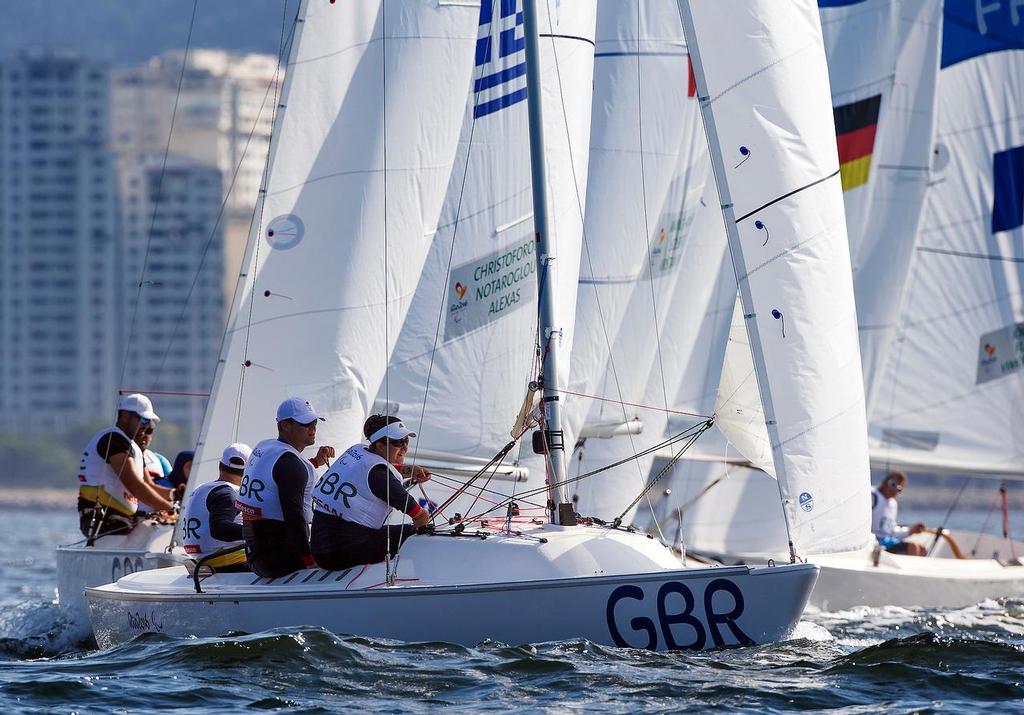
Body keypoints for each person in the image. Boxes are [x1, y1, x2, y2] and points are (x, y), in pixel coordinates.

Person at [310, 414, 431, 571]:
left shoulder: (357, 451)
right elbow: (420, 516)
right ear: (380, 445)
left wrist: (410, 471)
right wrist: (423, 530)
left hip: (321, 549)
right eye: (398, 442)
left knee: (393, 531)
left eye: (406, 441)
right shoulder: (381, 477)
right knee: (417, 534)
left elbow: (374, 470)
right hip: (341, 554)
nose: (405, 448)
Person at [236, 397, 335, 577]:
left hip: (256, 556)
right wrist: (308, 560)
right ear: (284, 426)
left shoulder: (263, 447)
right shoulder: (291, 464)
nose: (313, 428)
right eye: (306, 424)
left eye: (314, 422)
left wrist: (315, 463)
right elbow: (294, 516)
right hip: (280, 558)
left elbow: (277, 475)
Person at [77, 393, 175, 538]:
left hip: (123, 520)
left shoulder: (133, 448)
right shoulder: (113, 440)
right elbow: (134, 485)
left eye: (150, 422)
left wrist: (176, 494)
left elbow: (149, 485)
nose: (147, 426)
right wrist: (171, 510)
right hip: (102, 519)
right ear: (124, 416)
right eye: (142, 420)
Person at [181, 443, 252, 572]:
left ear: (220, 466)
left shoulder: (200, 490)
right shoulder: (228, 493)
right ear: (249, 470)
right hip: (231, 567)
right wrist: (259, 533)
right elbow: (219, 529)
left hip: (203, 564)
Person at [871, 471, 927, 556]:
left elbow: (891, 531)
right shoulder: (872, 496)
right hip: (873, 541)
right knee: (913, 547)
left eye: (899, 489)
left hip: (886, 541)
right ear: (884, 482)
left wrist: (910, 531)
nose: (894, 490)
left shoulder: (893, 504)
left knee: (922, 549)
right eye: (893, 484)